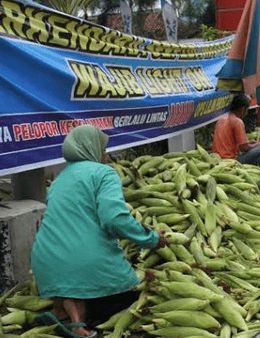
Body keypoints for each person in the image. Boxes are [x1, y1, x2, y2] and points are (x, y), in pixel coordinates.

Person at [31, 125, 166, 338]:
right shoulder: (104, 173)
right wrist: (151, 239)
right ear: (90, 149)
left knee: (72, 281)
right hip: (81, 262)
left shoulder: (59, 180)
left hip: (45, 261)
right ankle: (81, 327)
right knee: (128, 296)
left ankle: (64, 313)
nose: (106, 155)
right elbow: (114, 218)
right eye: (103, 149)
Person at [213, 94, 260, 167]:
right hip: (230, 160)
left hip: (217, 158)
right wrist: (259, 144)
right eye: (247, 109)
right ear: (243, 109)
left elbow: (232, 141)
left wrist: (250, 142)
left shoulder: (221, 119)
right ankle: (253, 169)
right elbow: (244, 148)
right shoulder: (237, 121)